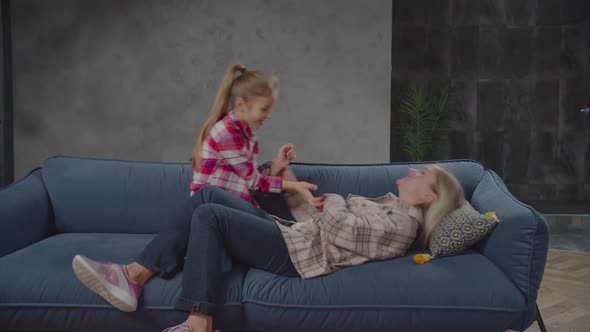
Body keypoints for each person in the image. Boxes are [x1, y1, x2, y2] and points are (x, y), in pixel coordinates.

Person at [77, 165, 465, 332]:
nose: (414, 172)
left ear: (430, 195)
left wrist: (333, 203)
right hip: (296, 234)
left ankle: (198, 323)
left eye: (422, 174)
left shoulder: (402, 225)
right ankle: (133, 276)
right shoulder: (388, 206)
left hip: (297, 256)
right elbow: (314, 218)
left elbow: (339, 228)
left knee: (211, 216)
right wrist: (287, 178)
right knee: (210, 194)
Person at [71, 64, 322, 315]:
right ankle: (136, 276)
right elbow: (254, 183)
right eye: (264, 109)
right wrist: (294, 185)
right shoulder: (228, 132)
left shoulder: (247, 136)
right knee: (206, 200)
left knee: (206, 198)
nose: (267, 115)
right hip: (222, 221)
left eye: (270, 109)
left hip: (235, 220)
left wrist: (278, 167)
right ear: (241, 105)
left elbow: (250, 183)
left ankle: (134, 275)